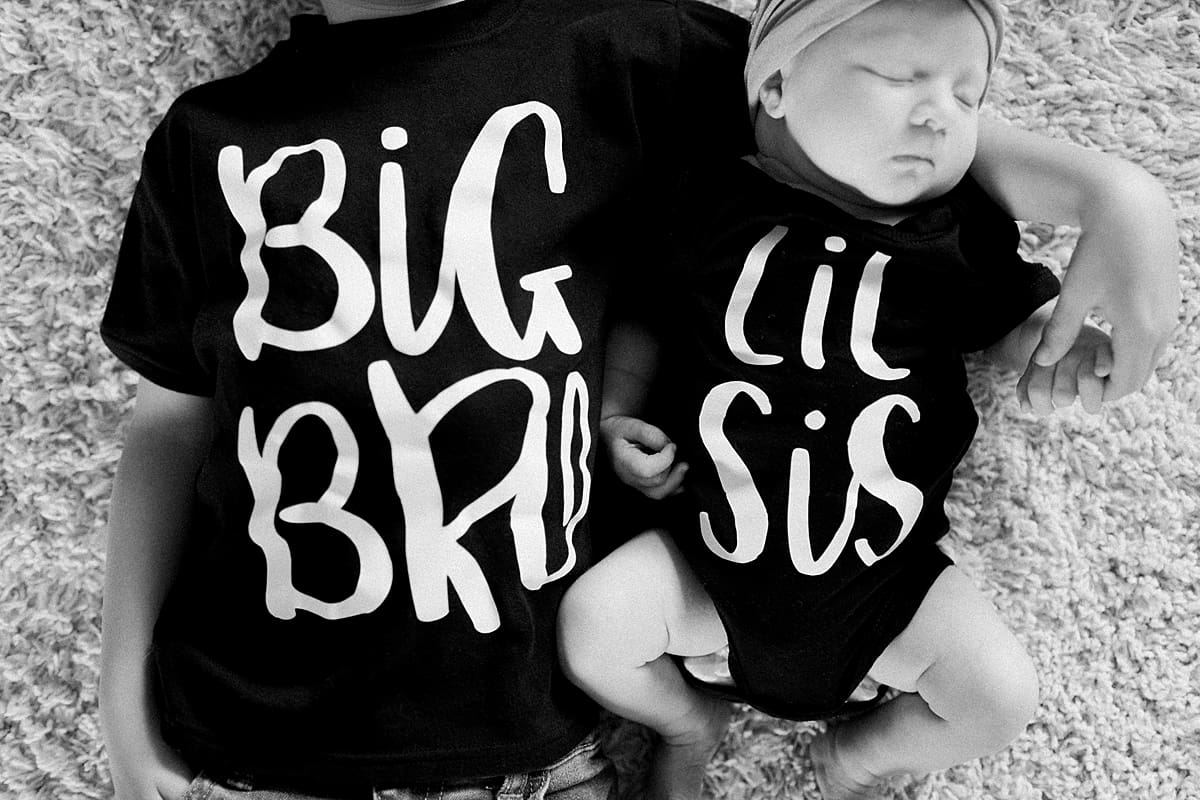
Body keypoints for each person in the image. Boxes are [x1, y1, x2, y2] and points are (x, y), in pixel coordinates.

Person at [98, 1, 1177, 800]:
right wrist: (118, 677)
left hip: (536, 737)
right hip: (260, 725)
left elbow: (840, 88)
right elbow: (167, 415)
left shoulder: (607, 47)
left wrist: (1111, 190)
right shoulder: (210, 137)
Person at [555, 2, 1178, 800]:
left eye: (967, 96)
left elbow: (1003, 326)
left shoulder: (953, 234)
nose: (936, 115)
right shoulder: (706, 200)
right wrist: (615, 416)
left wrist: (1058, 346)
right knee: (593, 629)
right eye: (896, 76)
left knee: (999, 695)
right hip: (706, 562)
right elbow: (645, 316)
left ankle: (858, 757)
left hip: (886, 583)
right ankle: (683, 721)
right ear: (776, 83)